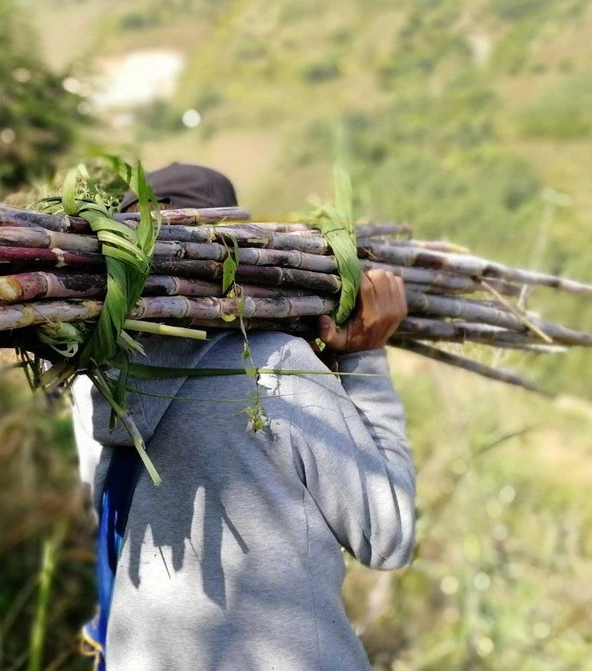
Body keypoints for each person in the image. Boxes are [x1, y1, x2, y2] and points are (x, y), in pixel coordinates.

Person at [72, 163, 414, 670]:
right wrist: (366, 359)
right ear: (231, 254)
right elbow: (389, 536)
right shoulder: (273, 366)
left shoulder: (89, 378)